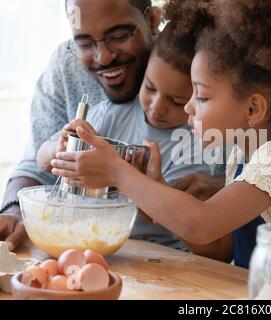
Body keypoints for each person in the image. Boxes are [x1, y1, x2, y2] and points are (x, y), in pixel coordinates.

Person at [51, 0, 271, 267]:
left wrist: (119, 173)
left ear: (253, 109)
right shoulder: (243, 152)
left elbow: (202, 225)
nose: (188, 109)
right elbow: (219, 250)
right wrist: (157, 188)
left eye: (201, 96)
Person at [0, 0, 223, 252]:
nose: (103, 56)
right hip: (95, 247)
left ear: (151, 22)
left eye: (118, 35)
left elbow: (212, 236)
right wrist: (14, 211)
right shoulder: (90, 94)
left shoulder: (201, 86)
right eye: (84, 43)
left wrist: (224, 183)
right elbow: (37, 162)